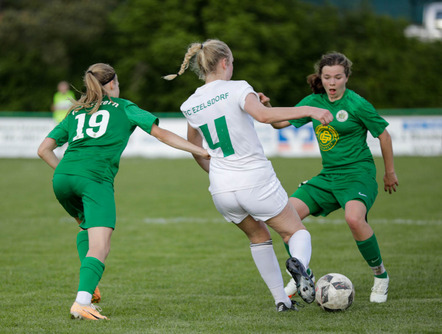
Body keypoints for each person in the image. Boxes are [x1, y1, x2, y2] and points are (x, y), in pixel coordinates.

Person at [163, 39, 333, 312]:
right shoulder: (239, 88)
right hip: (255, 180)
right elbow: (265, 117)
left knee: (258, 238)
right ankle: (300, 268)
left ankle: (281, 301)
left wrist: (217, 172)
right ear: (224, 63)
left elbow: (196, 148)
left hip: (221, 188)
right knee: (295, 232)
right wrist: (310, 109)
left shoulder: (191, 103)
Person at [37, 63, 209, 320]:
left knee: (86, 227)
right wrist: (201, 150)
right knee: (101, 246)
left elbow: (43, 149)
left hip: (62, 178)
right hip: (94, 180)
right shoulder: (125, 107)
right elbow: (161, 134)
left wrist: (67, 172)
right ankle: (81, 303)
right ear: (113, 83)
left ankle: (90, 286)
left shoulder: (76, 111)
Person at [268, 52, 399, 303]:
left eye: (338, 77)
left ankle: (380, 276)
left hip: (357, 175)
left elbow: (384, 135)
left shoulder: (357, 104)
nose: (332, 82)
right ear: (321, 77)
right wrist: (266, 108)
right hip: (328, 176)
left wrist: (389, 173)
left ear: (346, 77)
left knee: (353, 218)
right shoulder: (313, 102)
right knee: (285, 217)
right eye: (327, 77)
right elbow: (279, 124)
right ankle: (303, 275)